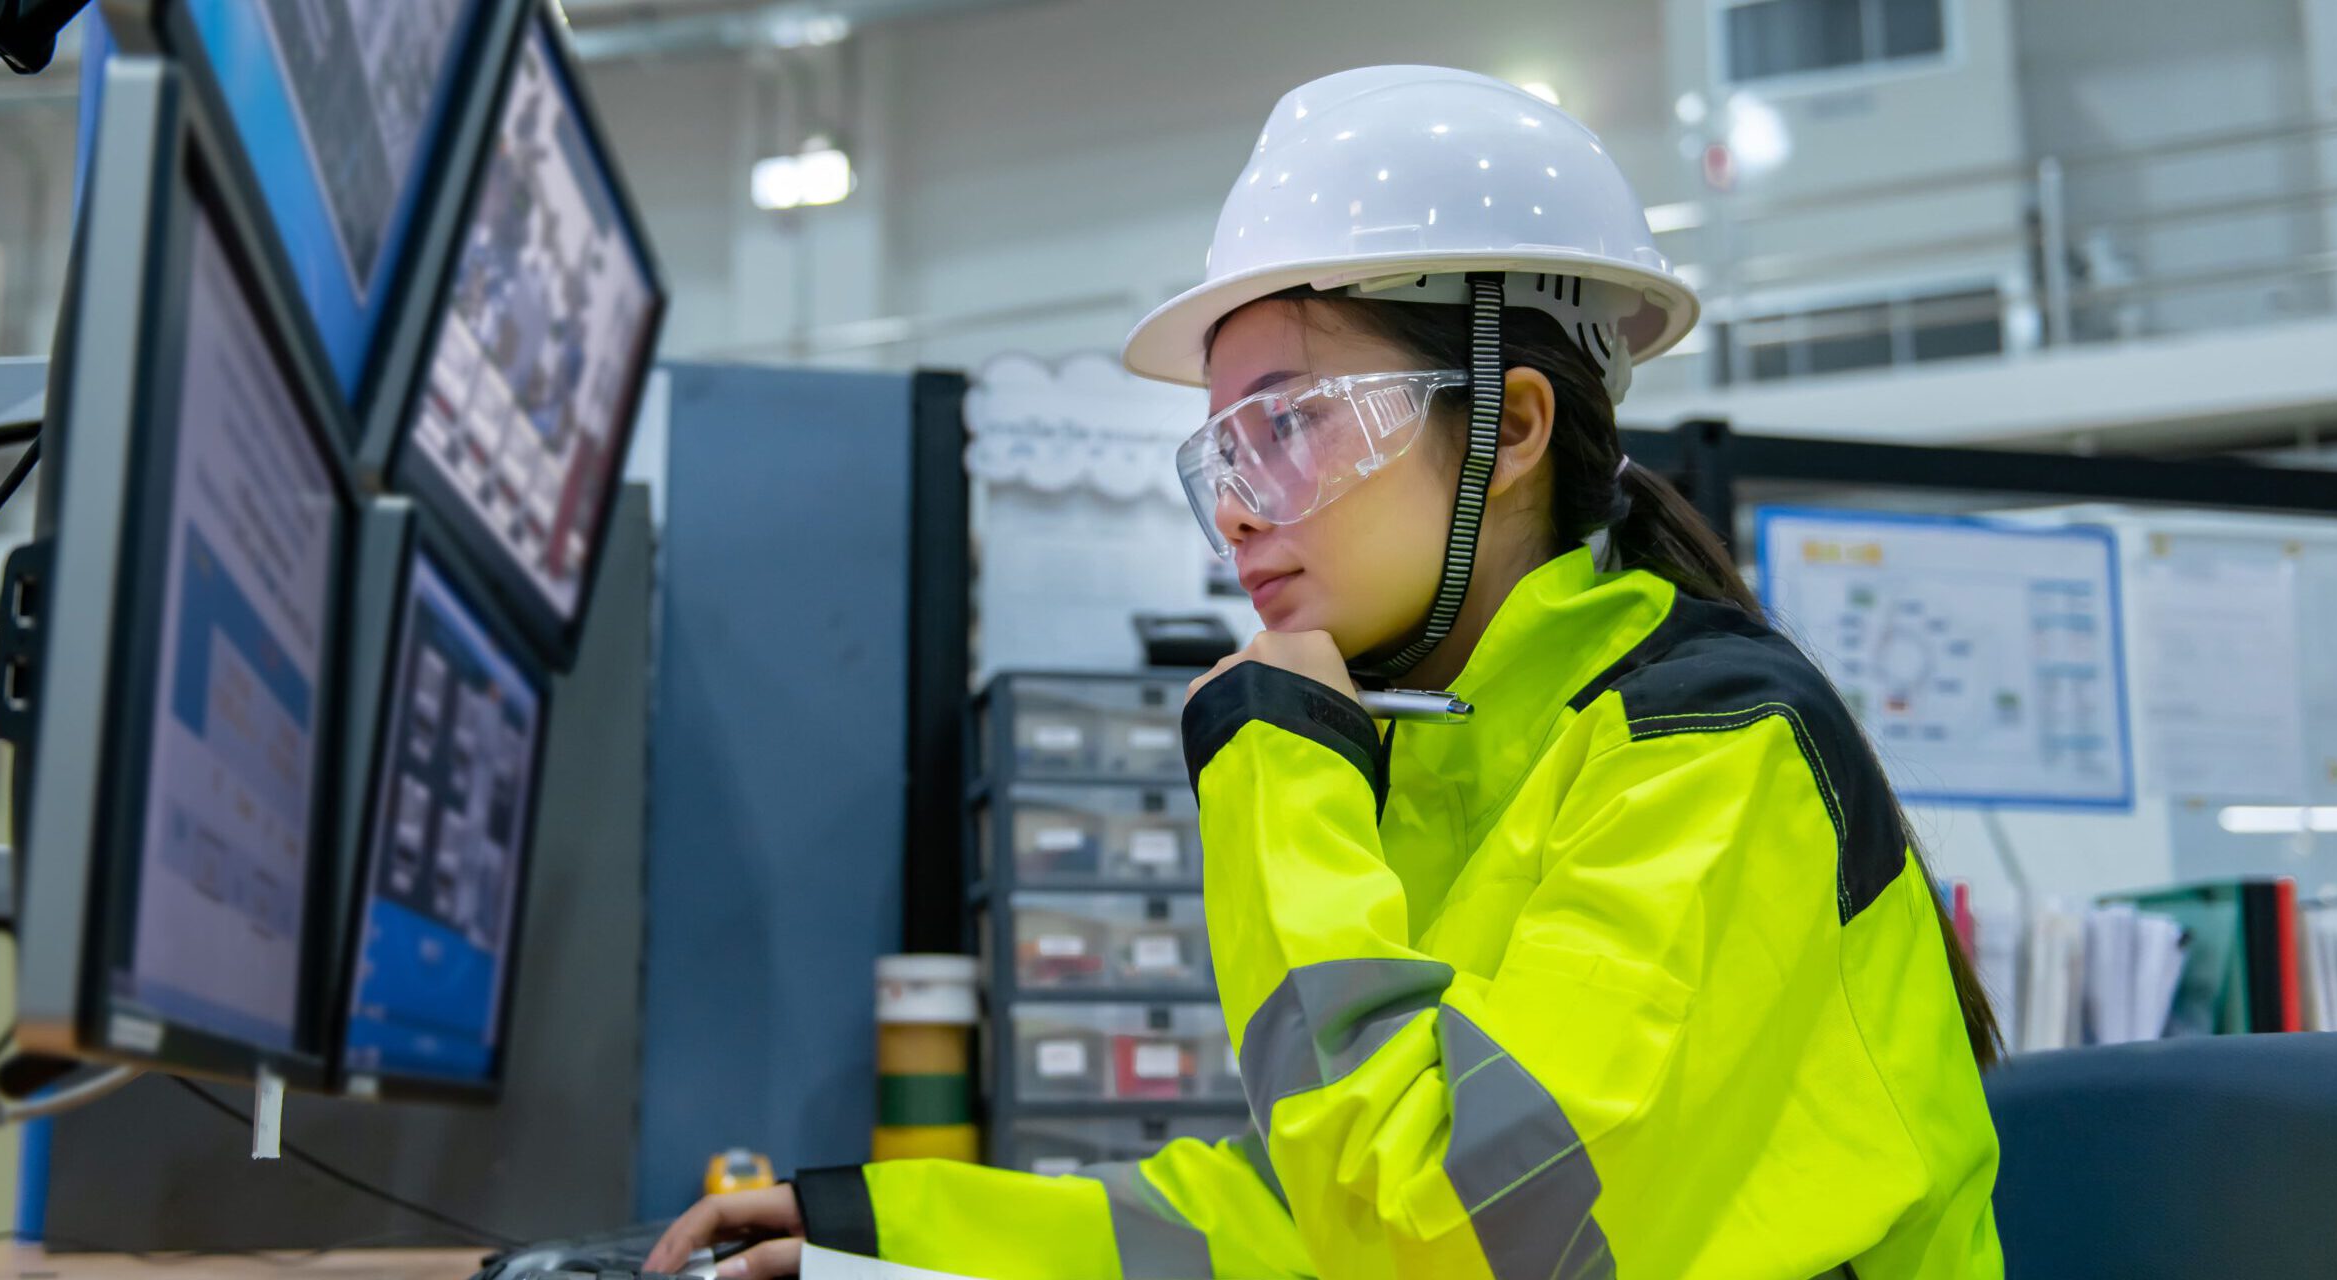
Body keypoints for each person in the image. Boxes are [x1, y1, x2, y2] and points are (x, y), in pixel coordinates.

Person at [648, 66, 2004, 1280]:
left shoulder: (1711, 755)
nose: (1239, 507)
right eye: (1225, 452)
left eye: (1292, 424)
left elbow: (1431, 1235)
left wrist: (1279, 780)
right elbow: (1296, 1226)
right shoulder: (1465, 747)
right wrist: (879, 1238)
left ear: (1512, 426)